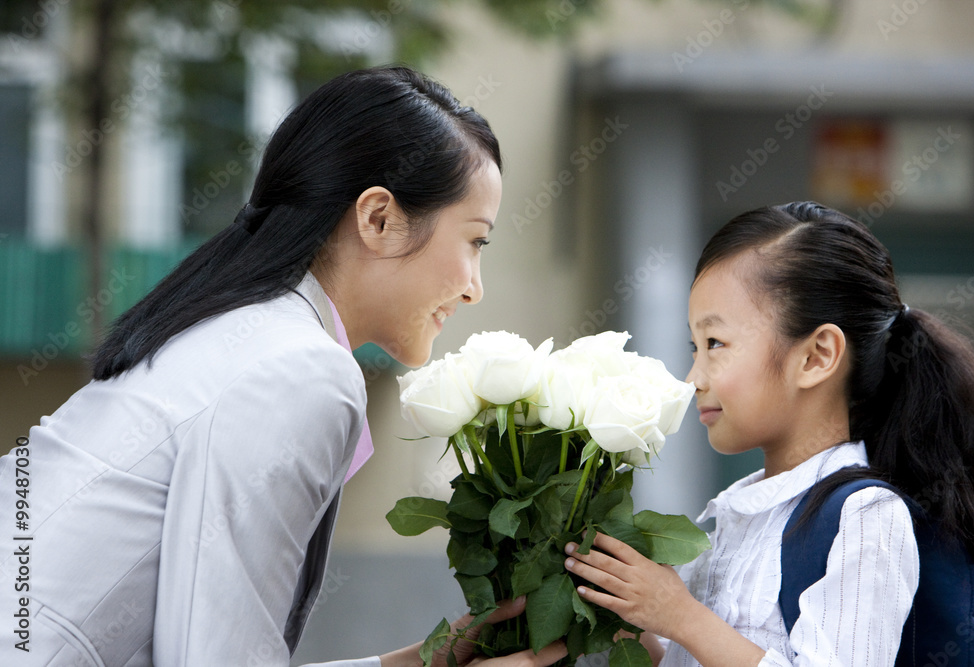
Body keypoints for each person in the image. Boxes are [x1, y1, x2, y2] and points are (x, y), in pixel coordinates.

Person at [0, 65, 567, 667]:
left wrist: (421, 664)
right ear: (378, 218)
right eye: (475, 240)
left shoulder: (235, 328)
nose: (474, 288)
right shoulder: (301, 370)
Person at [562, 201, 974, 666]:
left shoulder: (866, 514)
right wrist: (633, 619)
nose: (693, 378)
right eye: (696, 345)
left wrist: (682, 616)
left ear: (816, 356)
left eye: (716, 344)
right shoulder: (741, 512)